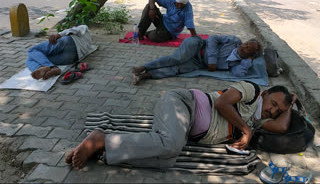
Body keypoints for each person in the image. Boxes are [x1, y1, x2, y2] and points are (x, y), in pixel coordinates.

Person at [65, 81, 296, 170]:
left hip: (184, 129)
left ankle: (105, 151)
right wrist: (245, 130)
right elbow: (221, 102)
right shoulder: (253, 91)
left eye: (278, 110)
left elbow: (283, 128)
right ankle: (100, 138)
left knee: (167, 160)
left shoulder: (261, 120)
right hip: (182, 103)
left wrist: (290, 103)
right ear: (266, 94)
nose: (273, 110)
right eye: (273, 103)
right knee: (171, 145)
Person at [132, 35, 261, 85]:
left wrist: (248, 61)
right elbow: (213, 38)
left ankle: (145, 76)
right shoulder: (235, 41)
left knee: (177, 70)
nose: (244, 47)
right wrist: (212, 60)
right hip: (197, 45)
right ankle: (143, 67)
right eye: (247, 44)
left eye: (249, 49)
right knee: (178, 58)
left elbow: (239, 74)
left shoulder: (237, 63)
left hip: (198, 63)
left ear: (251, 54)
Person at [26, 25, 96, 80]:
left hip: (69, 42)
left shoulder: (83, 27)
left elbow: (75, 30)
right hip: (73, 57)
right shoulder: (88, 42)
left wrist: (58, 35)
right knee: (31, 59)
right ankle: (46, 68)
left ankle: (48, 66)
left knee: (32, 51)